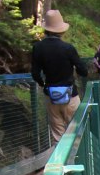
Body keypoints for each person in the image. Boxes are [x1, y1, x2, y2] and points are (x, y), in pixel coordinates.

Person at [30, 9, 87, 144]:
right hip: (70, 95)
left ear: (46, 29)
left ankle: (61, 157)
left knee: (58, 135)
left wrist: (43, 84)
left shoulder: (38, 47)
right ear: (61, 30)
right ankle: (78, 156)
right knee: (77, 132)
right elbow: (83, 70)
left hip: (51, 96)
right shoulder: (68, 48)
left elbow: (35, 73)